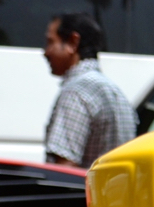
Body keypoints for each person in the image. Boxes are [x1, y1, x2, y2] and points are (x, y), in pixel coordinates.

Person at [43, 12, 137, 168]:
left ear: (73, 42)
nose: (46, 52)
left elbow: (64, 169)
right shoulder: (115, 91)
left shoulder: (76, 92)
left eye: (50, 42)